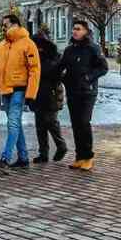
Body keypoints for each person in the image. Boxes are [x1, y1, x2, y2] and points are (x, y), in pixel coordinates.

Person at [0, 13, 40, 170]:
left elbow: (34, 70)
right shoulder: (1, 46)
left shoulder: (28, 44)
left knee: (13, 122)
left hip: (19, 89)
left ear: (15, 24)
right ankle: (23, 158)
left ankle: (6, 158)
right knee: (15, 123)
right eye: (2, 25)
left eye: (6, 24)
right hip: (5, 90)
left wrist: (31, 94)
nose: (3, 27)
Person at [58, 20, 108, 171]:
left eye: (78, 29)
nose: (75, 31)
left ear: (86, 31)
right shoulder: (69, 50)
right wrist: (60, 77)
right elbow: (60, 67)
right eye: (74, 29)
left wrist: (88, 78)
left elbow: (103, 67)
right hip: (73, 91)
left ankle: (88, 157)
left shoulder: (93, 48)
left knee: (84, 122)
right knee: (76, 124)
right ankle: (79, 157)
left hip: (87, 92)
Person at [30, 30, 67, 164]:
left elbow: (57, 73)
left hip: (52, 92)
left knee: (51, 122)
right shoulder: (32, 56)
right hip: (37, 93)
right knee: (40, 124)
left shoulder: (54, 56)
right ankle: (43, 153)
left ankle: (61, 146)